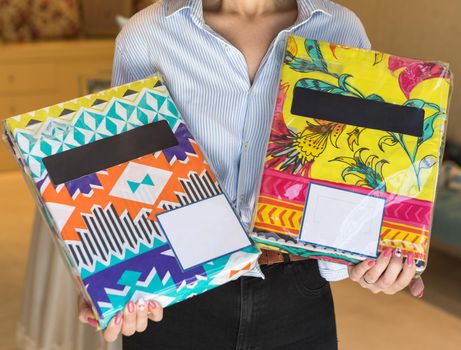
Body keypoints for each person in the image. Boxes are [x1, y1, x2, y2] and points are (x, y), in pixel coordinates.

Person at [78, 1, 425, 348]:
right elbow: (123, 179)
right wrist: (107, 279)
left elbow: (356, 173)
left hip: (298, 300)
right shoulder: (146, 35)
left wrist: (375, 263)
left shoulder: (340, 28)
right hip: (180, 299)